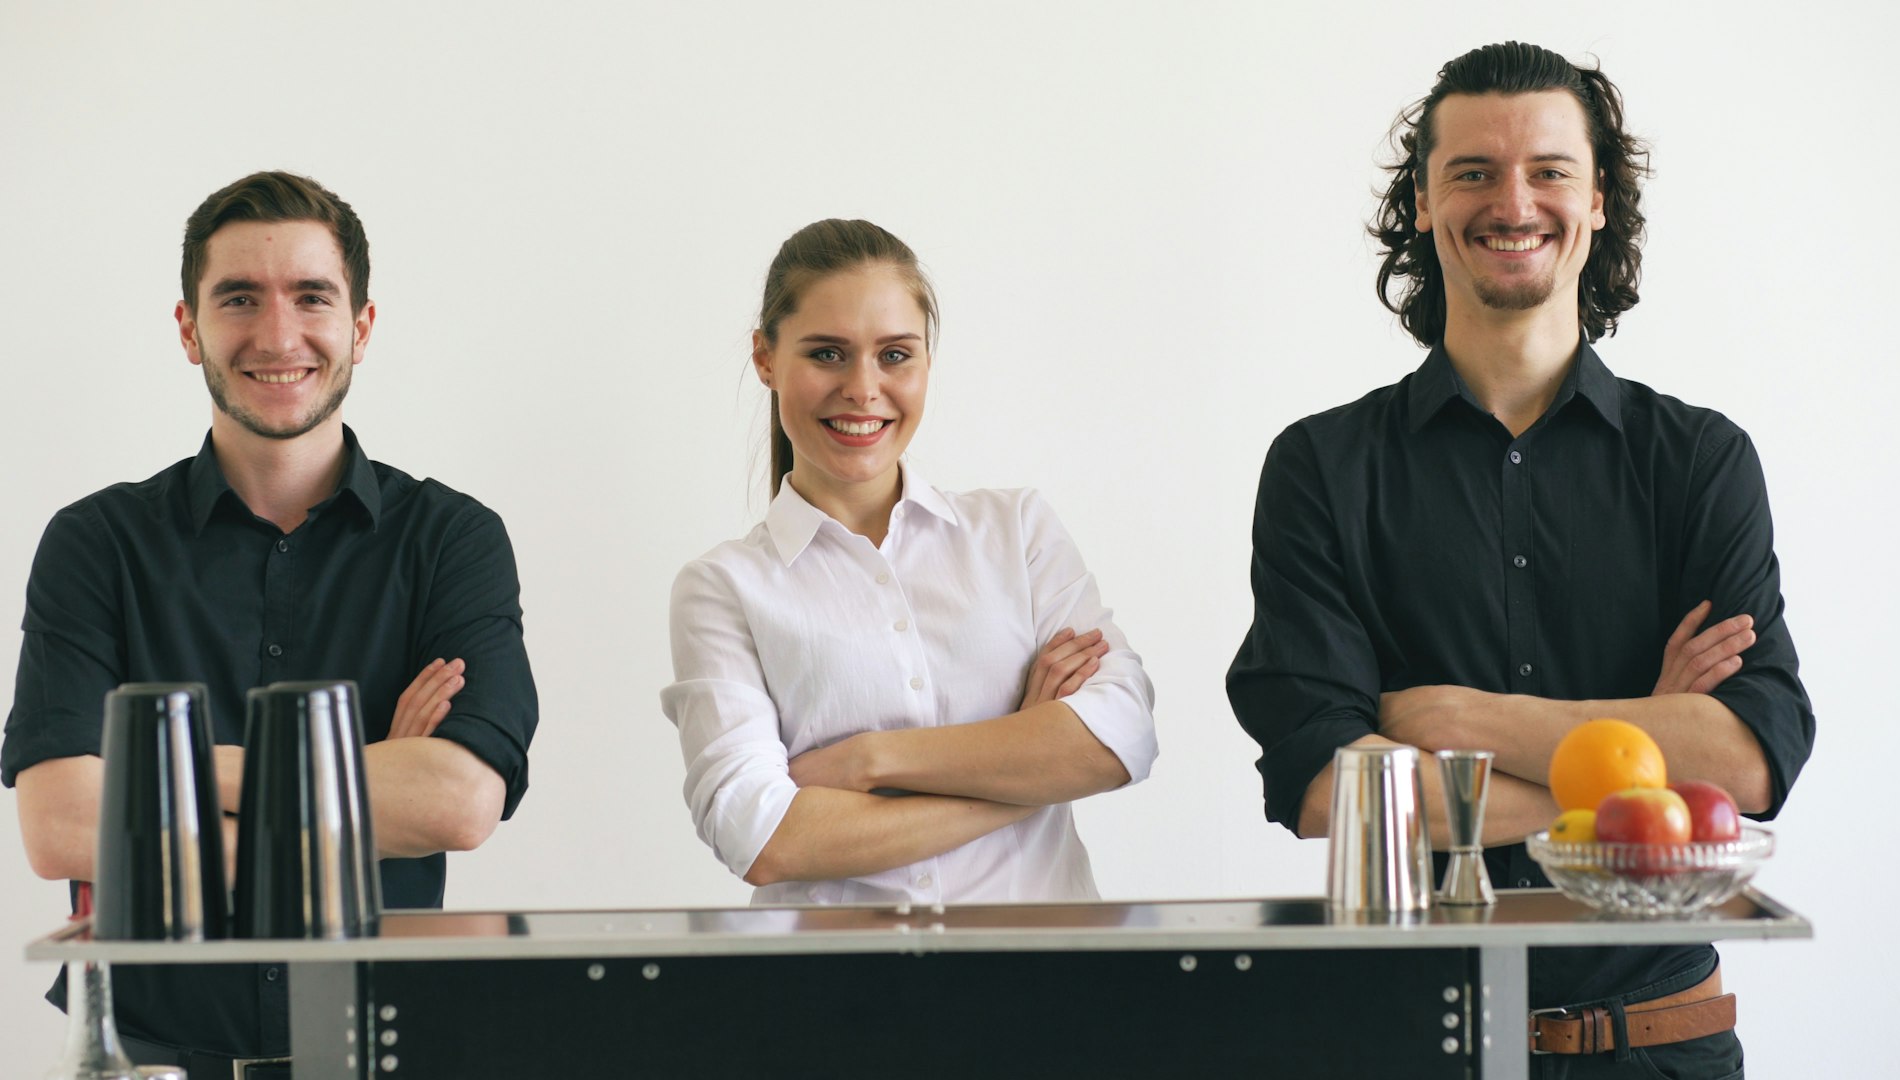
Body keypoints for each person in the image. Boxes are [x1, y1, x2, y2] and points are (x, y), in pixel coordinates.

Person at [1226, 42, 1813, 1078]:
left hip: (1658, 1046)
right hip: (1404, 1043)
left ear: (1597, 203)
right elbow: (1330, 793)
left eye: (1549, 171)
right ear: (1422, 202)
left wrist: (1450, 726)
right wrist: (1637, 782)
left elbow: (1750, 763)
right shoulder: (1321, 467)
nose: (1514, 201)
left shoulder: (1700, 462)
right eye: (1473, 172)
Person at [3, 171, 539, 1077]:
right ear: (190, 329)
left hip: (382, 1048)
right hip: (145, 1057)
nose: (277, 335)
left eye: (312, 297)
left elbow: (459, 802)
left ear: (360, 328)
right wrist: (359, 780)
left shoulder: (452, 540)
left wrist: (159, 775)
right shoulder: (96, 544)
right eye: (240, 299)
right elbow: (57, 824)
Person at [662, 219, 1156, 904]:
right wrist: (1022, 776)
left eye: (895, 355)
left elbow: (1121, 736)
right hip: (838, 995)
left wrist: (870, 761)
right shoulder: (722, 589)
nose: (864, 389)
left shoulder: (1017, 531)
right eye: (827, 354)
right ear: (766, 358)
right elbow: (764, 838)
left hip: (1045, 983)